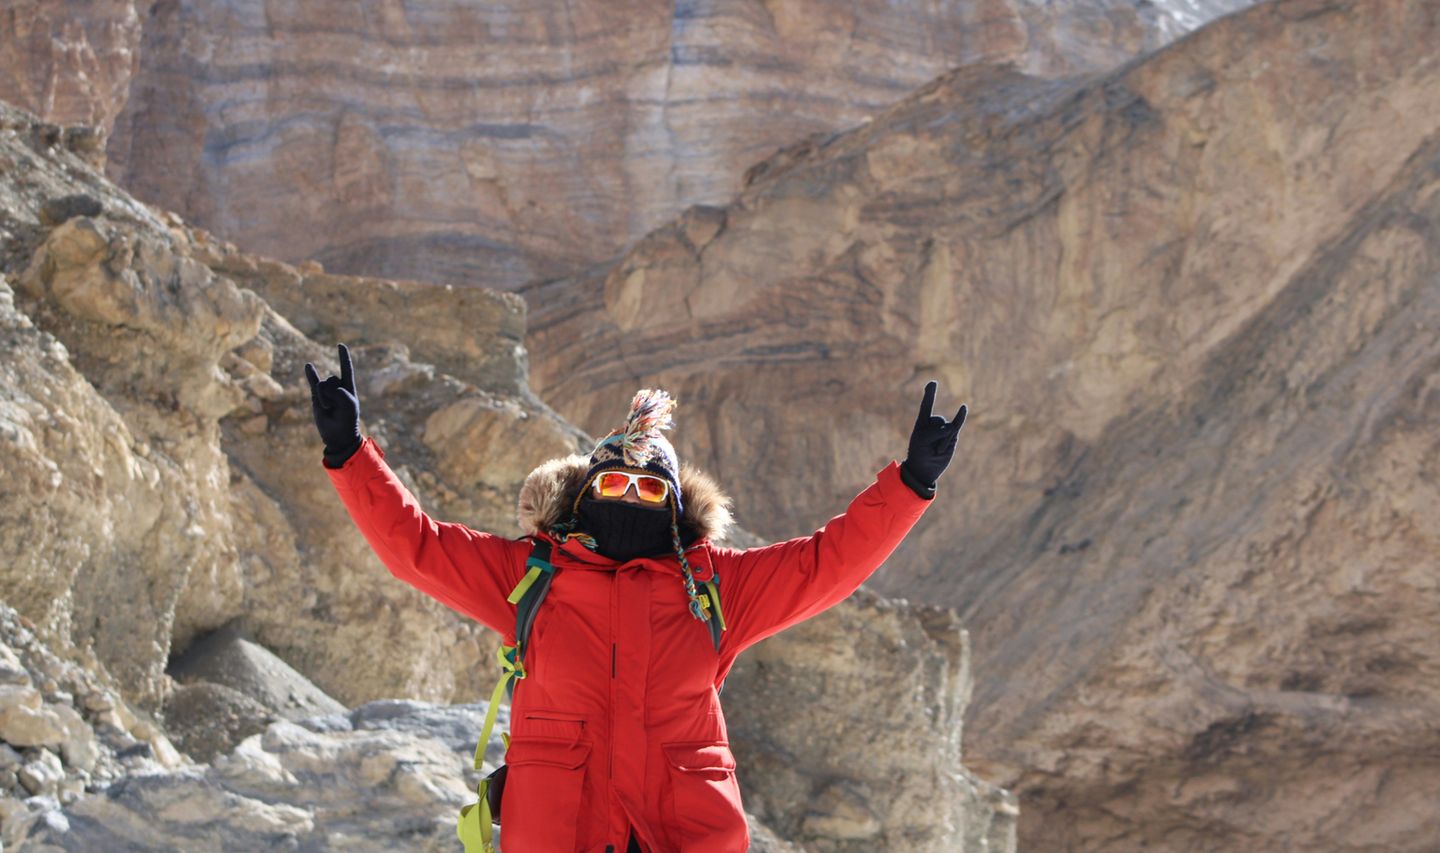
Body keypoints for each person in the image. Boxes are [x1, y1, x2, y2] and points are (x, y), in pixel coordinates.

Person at [305, 343, 967, 853]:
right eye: (614, 485)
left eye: (651, 492)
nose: (629, 498)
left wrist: (910, 482)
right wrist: (349, 450)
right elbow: (413, 546)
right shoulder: (531, 577)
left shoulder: (714, 588)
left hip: (680, 831)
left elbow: (827, 564)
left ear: (675, 509)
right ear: (584, 495)